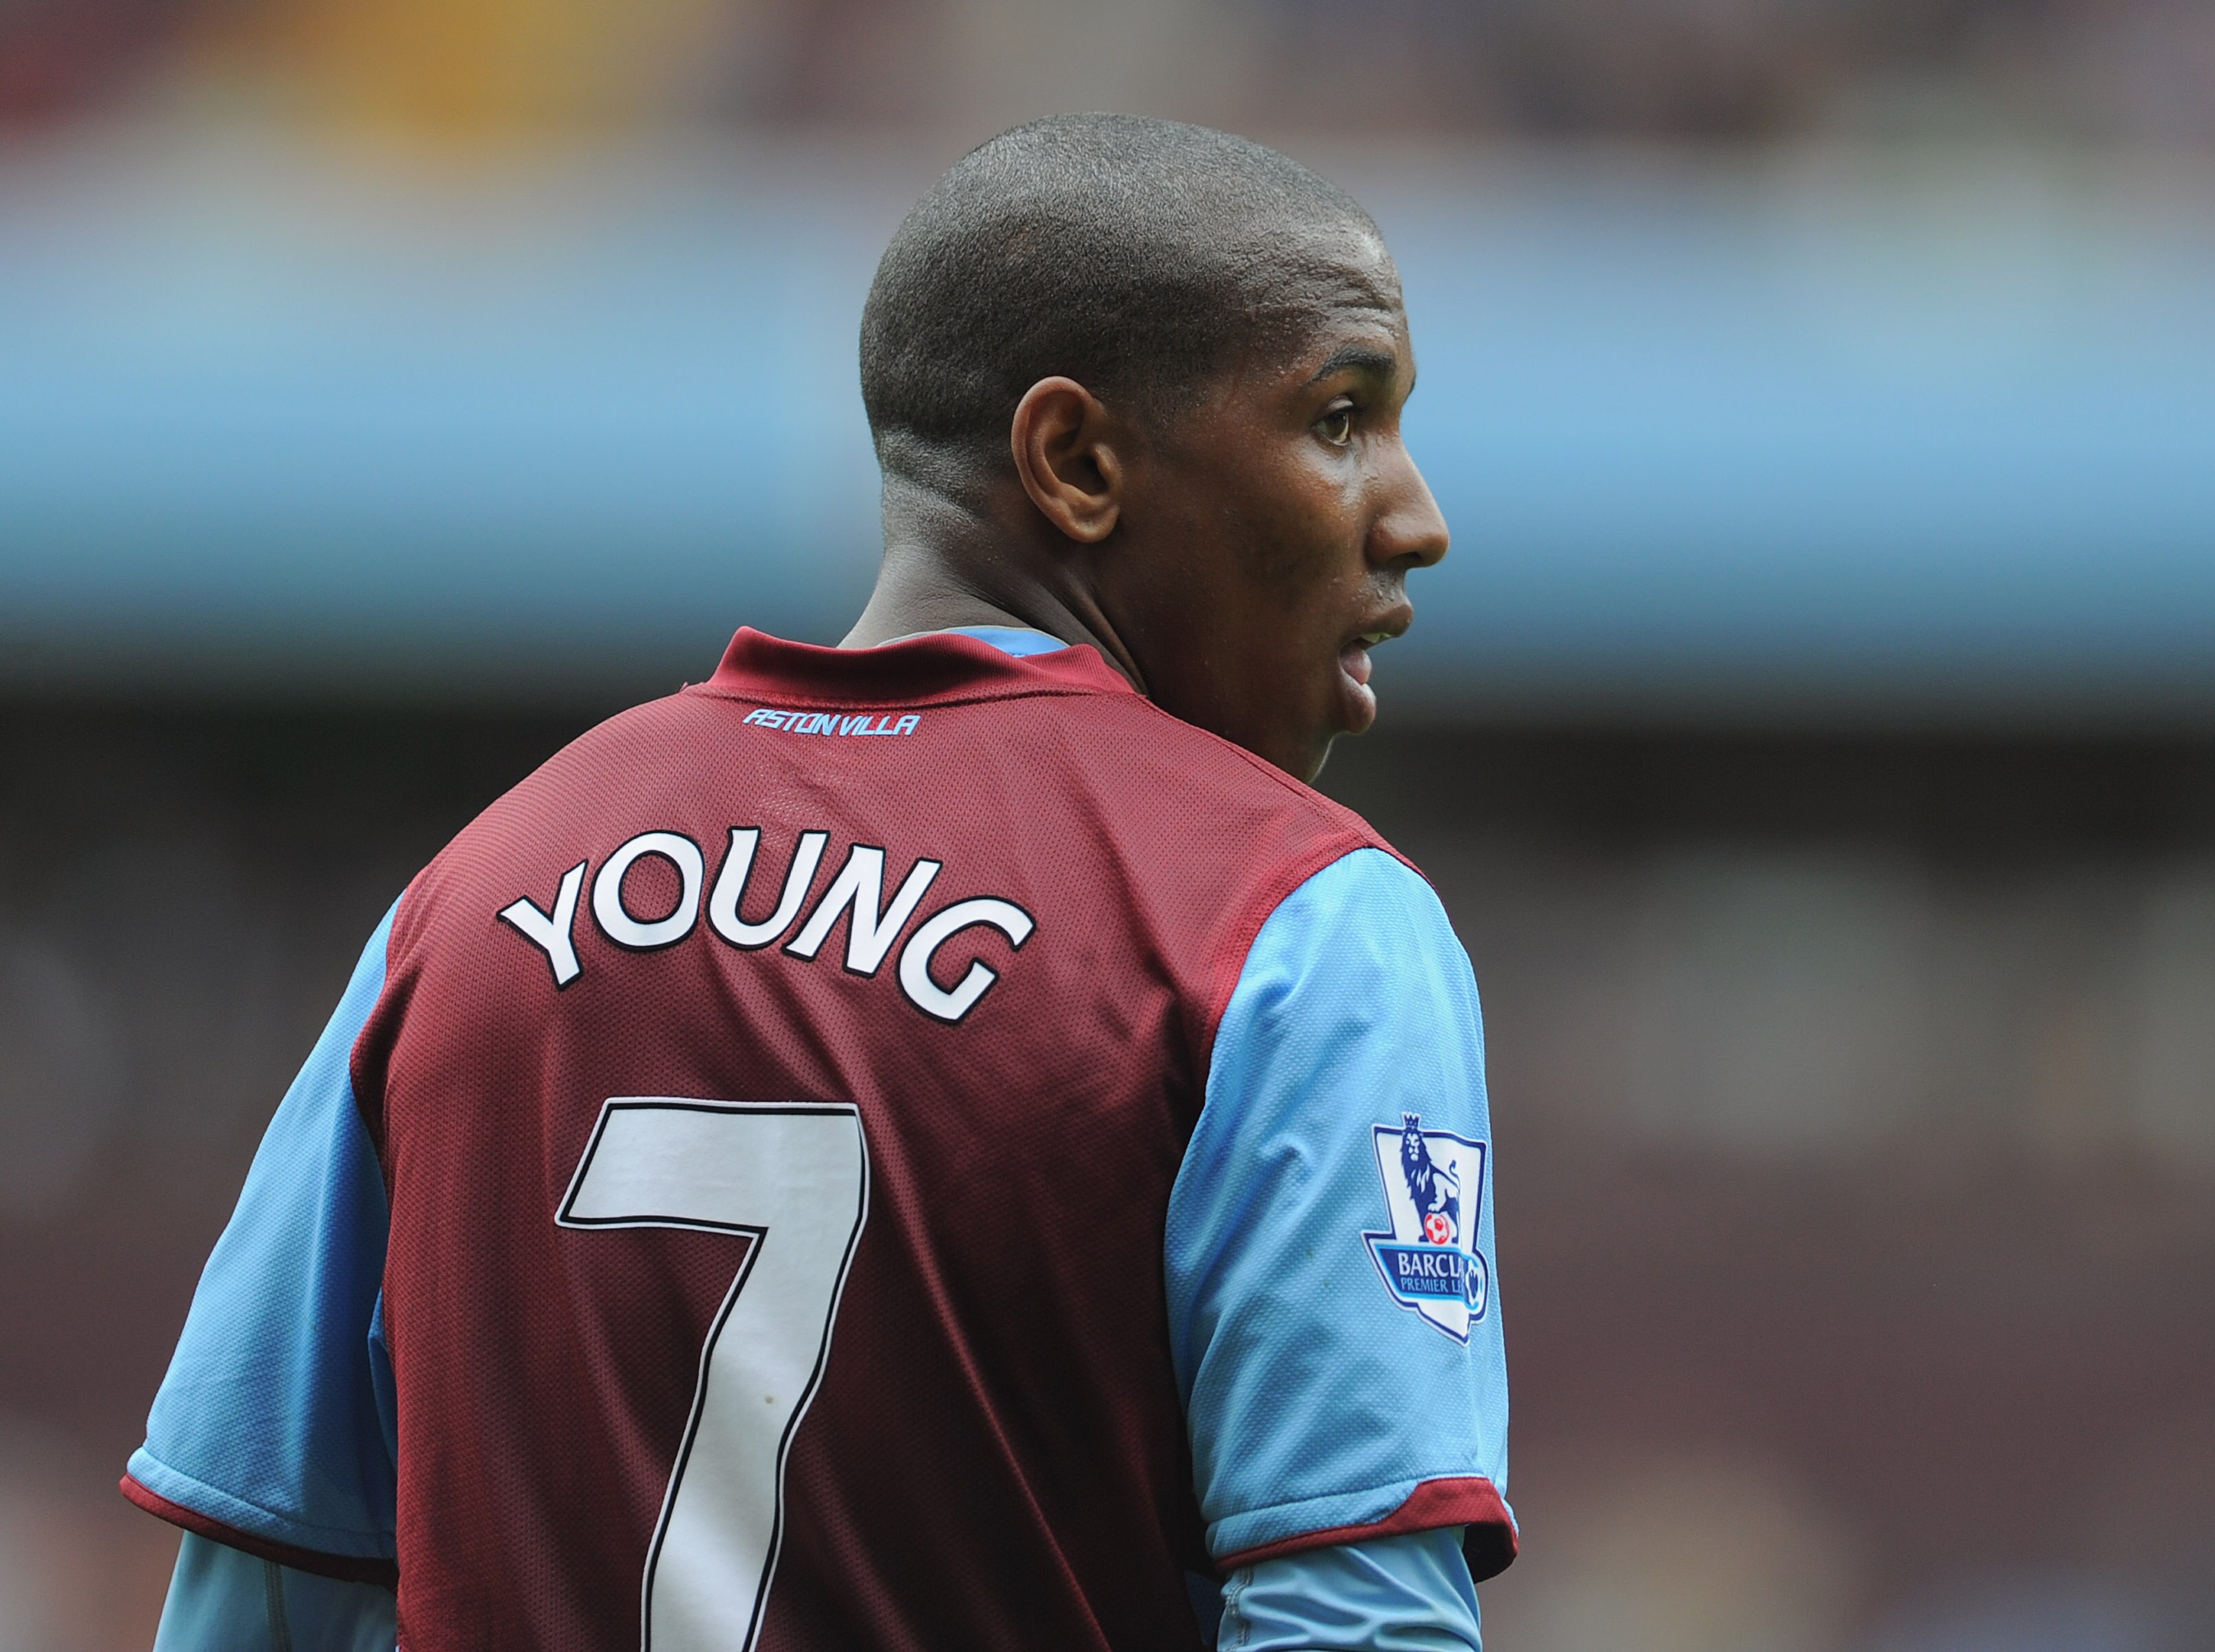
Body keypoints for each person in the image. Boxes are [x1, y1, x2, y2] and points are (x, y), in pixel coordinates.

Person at [125, 112, 1510, 1651]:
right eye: (1339, 417)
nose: (1416, 517)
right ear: (1078, 462)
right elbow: (1357, 1624)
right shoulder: (1298, 926)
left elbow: (264, 1585)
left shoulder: (468, 898)